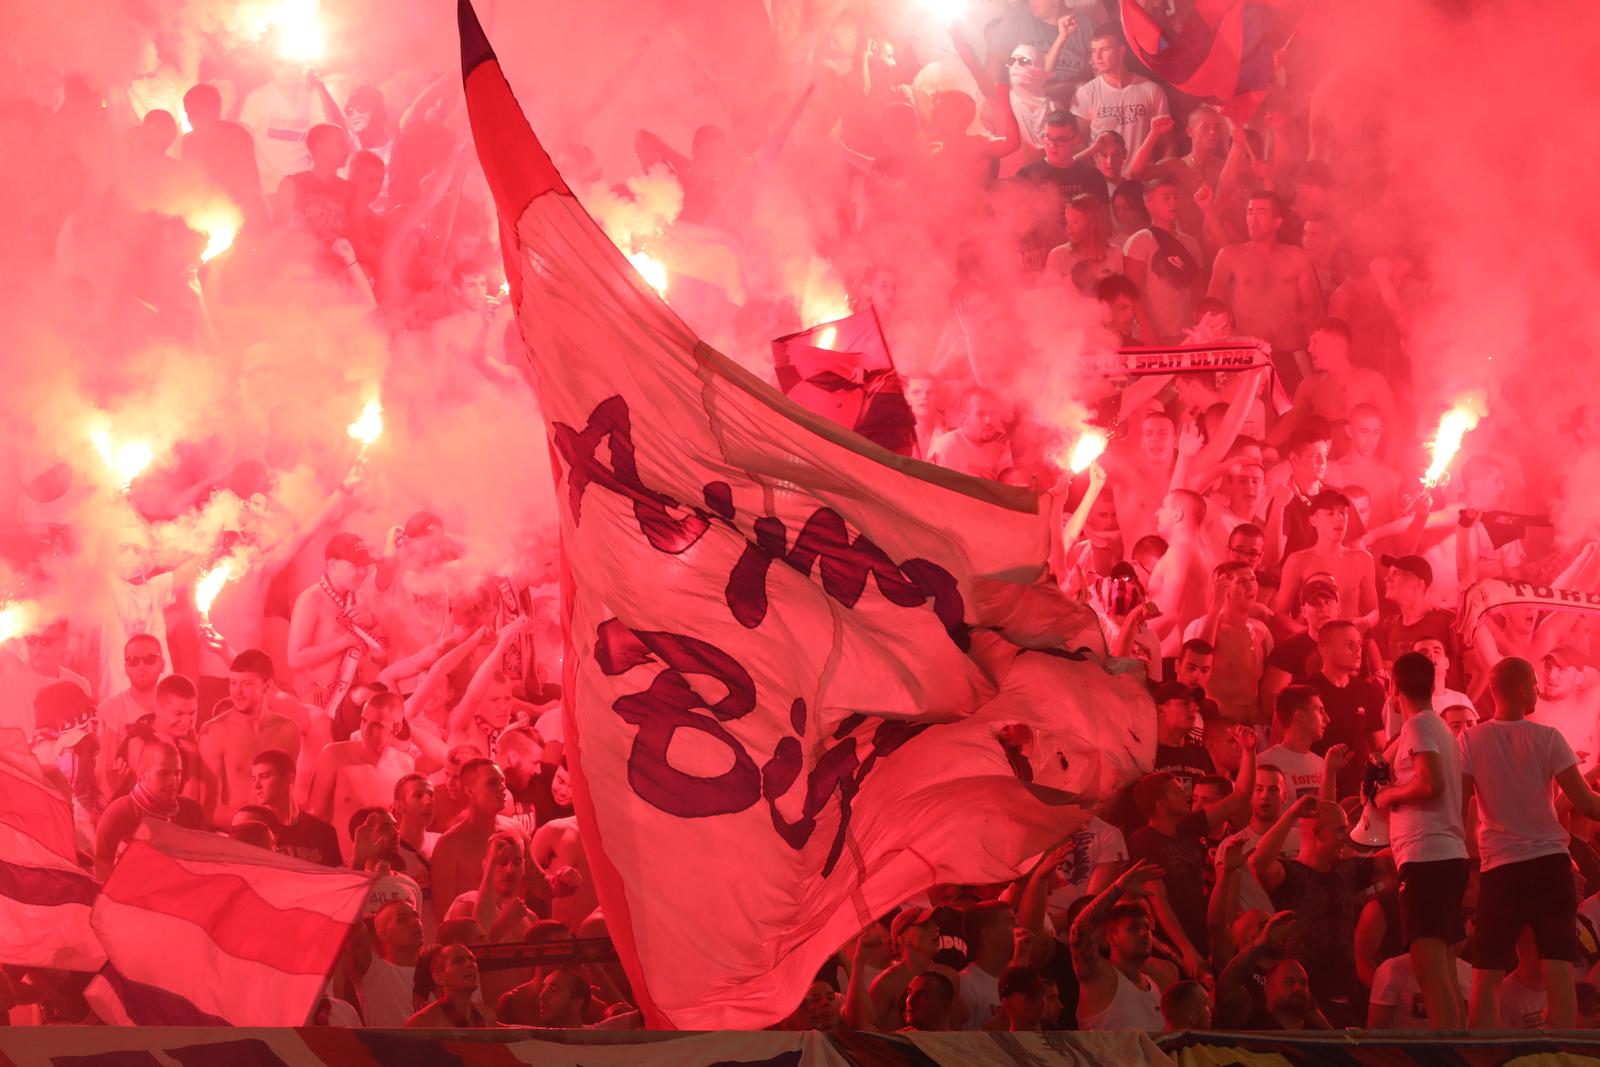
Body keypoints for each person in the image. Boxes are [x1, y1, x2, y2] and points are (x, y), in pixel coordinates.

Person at [1459, 657, 1600, 1029]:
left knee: (1486, 971)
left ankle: (1483, 1056)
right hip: (1548, 864)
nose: (1539, 691)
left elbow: (1458, 809)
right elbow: (1586, 804)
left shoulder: (1470, 739)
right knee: (1557, 967)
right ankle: (1561, 1053)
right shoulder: (1547, 737)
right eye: (1536, 684)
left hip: (1500, 867)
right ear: (1522, 689)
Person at [1371, 652, 1468, 1028]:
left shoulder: (1419, 727)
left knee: (1429, 972)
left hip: (1428, 857)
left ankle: (1447, 1055)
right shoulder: (1438, 728)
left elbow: (1430, 783)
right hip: (1444, 856)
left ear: (1394, 687)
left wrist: (1387, 796)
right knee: (1441, 970)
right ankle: (1457, 1046)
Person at [1128, 734, 1255, 963]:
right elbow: (1160, 902)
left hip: (1200, 930)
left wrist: (1249, 751)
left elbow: (1241, 796)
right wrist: (1186, 951)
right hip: (1169, 943)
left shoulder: (1188, 827)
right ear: (1160, 804)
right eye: (1177, 791)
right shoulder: (1142, 841)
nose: (1186, 795)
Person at [1250, 796, 1374, 1025]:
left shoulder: (1348, 870)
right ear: (1316, 834)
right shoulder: (1290, 874)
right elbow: (1258, 863)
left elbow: (1392, 863)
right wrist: (1292, 814)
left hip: (1351, 996)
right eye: (1340, 831)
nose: (1345, 838)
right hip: (1305, 1000)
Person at [1208, 192, 1322, 367]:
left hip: (1291, 352)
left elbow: (1314, 311)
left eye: (1261, 213)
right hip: (1249, 356)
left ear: (1277, 222)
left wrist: (1296, 319)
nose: (1253, 219)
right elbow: (1211, 314)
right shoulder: (1229, 257)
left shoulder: (1297, 257)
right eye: (1249, 212)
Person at [308, 691, 417, 864]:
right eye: (364, 720)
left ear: (395, 728)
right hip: (338, 869)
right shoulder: (334, 755)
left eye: (377, 725)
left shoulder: (405, 765)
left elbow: (403, 827)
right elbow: (315, 818)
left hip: (381, 874)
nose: (366, 730)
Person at [197, 650, 302, 825]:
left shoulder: (288, 730)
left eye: (246, 684)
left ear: (267, 686)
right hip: (233, 837)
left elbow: (291, 798)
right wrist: (256, 825)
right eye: (233, 683)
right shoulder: (214, 731)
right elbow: (209, 808)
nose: (237, 692)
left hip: (279, 838)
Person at [287, 532, 384, 712]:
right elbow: (295, 658)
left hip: (355, 701)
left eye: (365, 566)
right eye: (355, 566)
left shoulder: (360, 599)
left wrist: (372, 623)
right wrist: (344, 641)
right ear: (332, 564)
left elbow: (381, 657)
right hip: (319, 699)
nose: (363, 572)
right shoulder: (311, 599)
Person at [1272, 320, 1397, 454]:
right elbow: (1287, 426)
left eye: (1315, 342)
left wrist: (1388, 468)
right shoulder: (1309, 385)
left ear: (1335, 345)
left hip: (1359, 465)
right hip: (1324, 466)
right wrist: (1260, 447)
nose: (1309, 348)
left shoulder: (1371, 380)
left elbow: (1394, 429)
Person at [1071, 861, 1169, 1030]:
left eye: (1146, 927)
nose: (1144, 933)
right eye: (1133, 928)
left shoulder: (1154, 984)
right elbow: (1078, 932)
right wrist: (1118, 888)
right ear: (1111, 938)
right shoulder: (1099, 977)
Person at [93, 740, 206, 878]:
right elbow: (102, 876)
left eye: (177, 773)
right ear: (142, 774)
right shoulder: (117, 814)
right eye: (163, 774)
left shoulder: (193, 811)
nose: (173, 781)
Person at [1185, 562, 1273, 725]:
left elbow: (1265, 688)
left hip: (1255, 724)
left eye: (1253, 579)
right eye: (1241, 582)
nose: (1250, 587)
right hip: (1220, 723)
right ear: (1224, 589)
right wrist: (1216, 607)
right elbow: (1197, 662)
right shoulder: (1202, 626)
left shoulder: (1261, 632)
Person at [1274, 491, 1378, 629]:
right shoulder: (1298, 561)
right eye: (1330, 513)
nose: (1339, 519)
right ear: (1314, 520)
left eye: (1343, 513)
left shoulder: (1363, 559)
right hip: (1313, 644)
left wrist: (1363, 622)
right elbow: (1280, 614)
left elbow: (1374, 611)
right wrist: (1308, 634)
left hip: (1350, 641)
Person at [1069, 26, 1169, 167]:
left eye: (1104, 50)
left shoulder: (1151, 90)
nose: (1097, 57)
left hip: (1142, 180)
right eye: (1093, 51)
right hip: (1103, 183)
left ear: (1121, 51)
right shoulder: (1085, 93)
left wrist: (1162, 177)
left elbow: (1168, 143)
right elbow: (1078, 145)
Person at [1306, 621, 1386, 797]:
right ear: (1325, 650)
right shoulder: (1305, 690)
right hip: (1312, 786)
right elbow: (1281, 743)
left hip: (1357, 790)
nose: (1358, 650)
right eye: (1350, 644)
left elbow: (1379, 746)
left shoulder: (1367, 691)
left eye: (1359, 644)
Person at [1122, 177, 1203, 343]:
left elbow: (1197, 290)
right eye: (1166, 198)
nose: (1173, 202)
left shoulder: (1190, 243)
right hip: (1154, 333)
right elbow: (1132, 291)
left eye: (1176, 197)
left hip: (1187, 333)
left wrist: (1199, 327)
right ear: (1148, 203)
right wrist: (1146, 328)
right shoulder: (1140, 241)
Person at [430, 758, 510, 925]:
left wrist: (558, 882)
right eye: (493, 783)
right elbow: (445, 918)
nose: (503, 787)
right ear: (470, 791)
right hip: (475, 945)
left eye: (503, 780)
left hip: (516, 941)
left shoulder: (516, 832)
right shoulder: (450, 845)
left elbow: (538, 882)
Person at [1148, 490, 1213, 655]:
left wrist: (1133, 645)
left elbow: (1170, 615)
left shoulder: (1179, 552)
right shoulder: (1204, 552)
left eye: (1163, 507)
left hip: (1171, 657)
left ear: (1177, 515)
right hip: (1184, 654)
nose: (1157, 512)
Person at [251, 747, 340, 866]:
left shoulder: (324, 832)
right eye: (253, 778)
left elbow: (337, 880)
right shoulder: (254, 831)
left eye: (264, 776)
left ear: (289, 778)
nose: (256, 785)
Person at [1257, 686, 1343, 800]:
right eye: (1320, 711)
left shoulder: (1322, 764)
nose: (1327, 718)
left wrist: (1331, 772)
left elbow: (1328, 812)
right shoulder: (1263, 763)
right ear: (1300, 715)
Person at [1327, 404, 1402, 524]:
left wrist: (1420, 517)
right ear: (1349, 431)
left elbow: (1402, 538)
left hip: (1381, 542)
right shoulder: (1332, 472)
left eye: (1376, 432)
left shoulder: (1391, 478)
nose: (1370, 439)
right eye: (1364, 431)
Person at [1531, 645, 1600, 768]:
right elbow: (1495, 662)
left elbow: (1594, 676)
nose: (1551, 676)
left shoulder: (1590, 705)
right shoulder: (1533, 705)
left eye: (1561, 669)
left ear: (1579, 677)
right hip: (1542, 786)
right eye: (1548, 667)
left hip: (1587, 786)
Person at [357, 899, 424, 1026]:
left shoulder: (438, 973)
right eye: (402, 919)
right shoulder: (374, 974)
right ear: (381, 933)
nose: (415, 922)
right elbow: (353, 927)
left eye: (417, 917)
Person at [926, 388, 1013, 480]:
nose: (989, 420)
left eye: (993, 413)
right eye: (981, 414)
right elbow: (930, 489)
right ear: (964, 418)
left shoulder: (998, 450)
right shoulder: (946, 446)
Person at [404, 943, 496, 1027]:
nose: (470, 964)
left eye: (472, 960)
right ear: (439, 978)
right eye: (458, 961)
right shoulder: (422, 1023)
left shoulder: (487, 1016)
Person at [1045, 196, 1123, 294]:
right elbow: (1051, 298)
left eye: (1075, 222)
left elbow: (1122, 295)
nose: (1068, 227)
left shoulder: (1115, 253)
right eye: (1067, 221)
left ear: (1092, 223)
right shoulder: (1058, 255)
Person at [958, 900, 1017, 1029]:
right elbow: (965, 1042)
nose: (1017, 929)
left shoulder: (1017, 979)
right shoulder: (966, 985)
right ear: (986, 932)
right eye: (1009, 922)